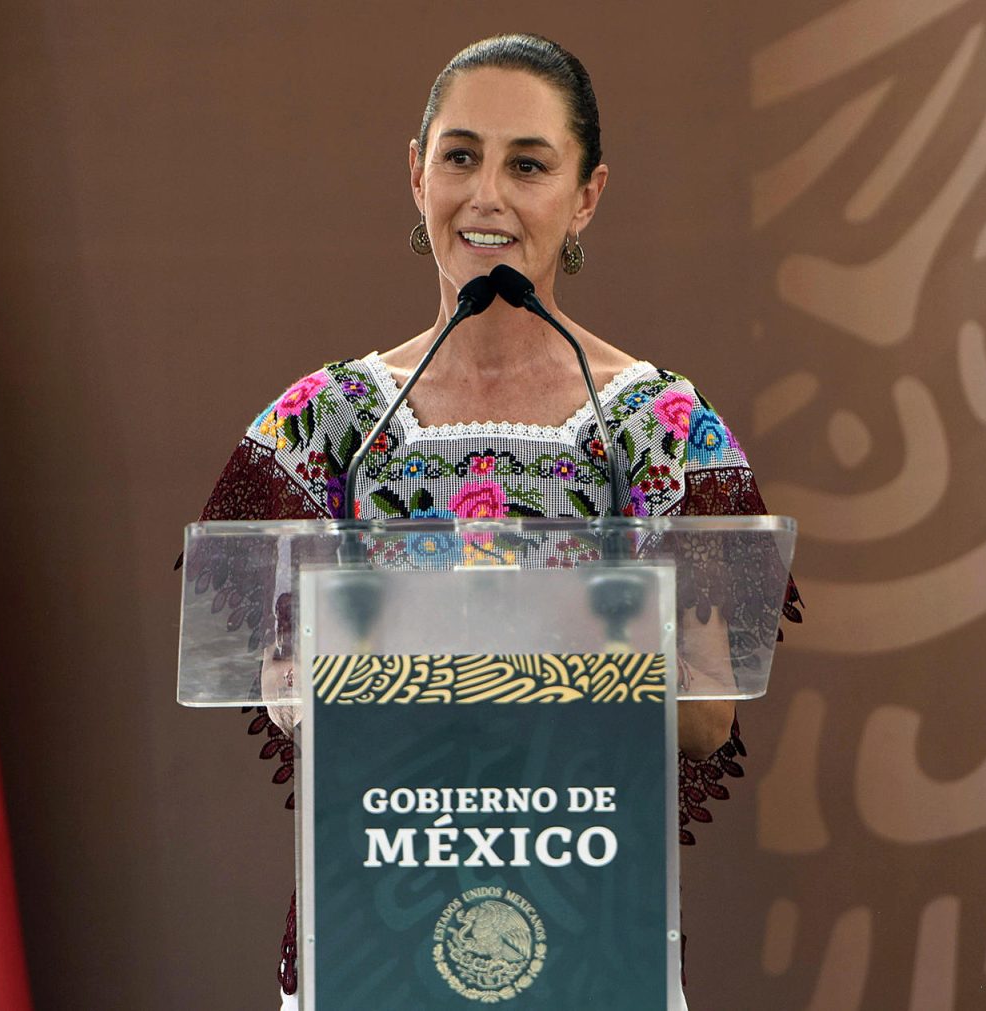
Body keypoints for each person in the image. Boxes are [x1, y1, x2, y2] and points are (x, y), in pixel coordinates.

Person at [196, 33, 801, 1010]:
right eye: (461, 156)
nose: (487, 196)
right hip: (373, 931)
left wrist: (553, 636)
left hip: (594, 935)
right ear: (415, 172)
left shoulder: (659, 427)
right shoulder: (330, 422)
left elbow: (708, 716)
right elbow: (280, 689)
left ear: (587, 195)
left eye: (529, 165)